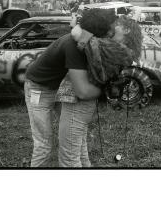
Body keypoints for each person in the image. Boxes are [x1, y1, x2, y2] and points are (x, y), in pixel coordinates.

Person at [24, 9, 117, 167]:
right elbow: (82, 91)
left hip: (58, 87)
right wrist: (105, 91)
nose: (112, 34)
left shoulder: (86, 41)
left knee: (75, 136)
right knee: (44, 143)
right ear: (97, 35)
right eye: (109, 32)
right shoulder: (74, 46)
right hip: (38, 88)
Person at [55, 14, 142, 167]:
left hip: (78, 102)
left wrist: (75, 24)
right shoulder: (122, 49)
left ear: (127, 30)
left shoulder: (113, 48)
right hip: (85, 101)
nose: (112, 26)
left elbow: (77, 34)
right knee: (79, 151)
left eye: (117, 24)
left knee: (69, 158)